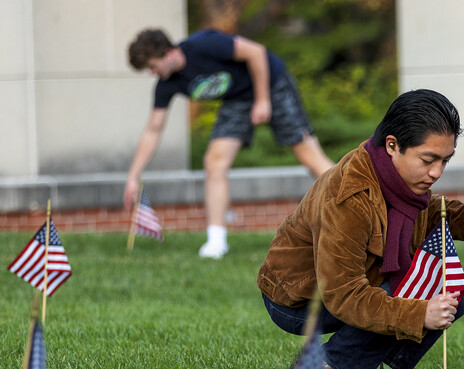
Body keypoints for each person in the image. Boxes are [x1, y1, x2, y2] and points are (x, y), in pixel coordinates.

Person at [257, 89, 464, 369]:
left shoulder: (397, 179)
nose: (436, 172)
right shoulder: (349, 197)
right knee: (421, 295)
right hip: (298, 301)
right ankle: (326, 367)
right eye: (428, 160)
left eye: (445, 161)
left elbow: (443, 215)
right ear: (393, 144)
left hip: (349, 286)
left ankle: (364, 359)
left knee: (453, 291)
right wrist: (417, 314)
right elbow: (343, 294)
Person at [123, 28, 334, 258]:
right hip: (236, 100)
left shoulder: (204, 45)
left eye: (153, 66)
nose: (153, 73)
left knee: (309, 157)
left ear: (169, 53)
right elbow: (153, 130)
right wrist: (133, 176)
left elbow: (256, 52)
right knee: (214, 163)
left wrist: (262, 101)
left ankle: (361, 206)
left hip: (271, 84)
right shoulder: (167, 83)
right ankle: (216, 242)